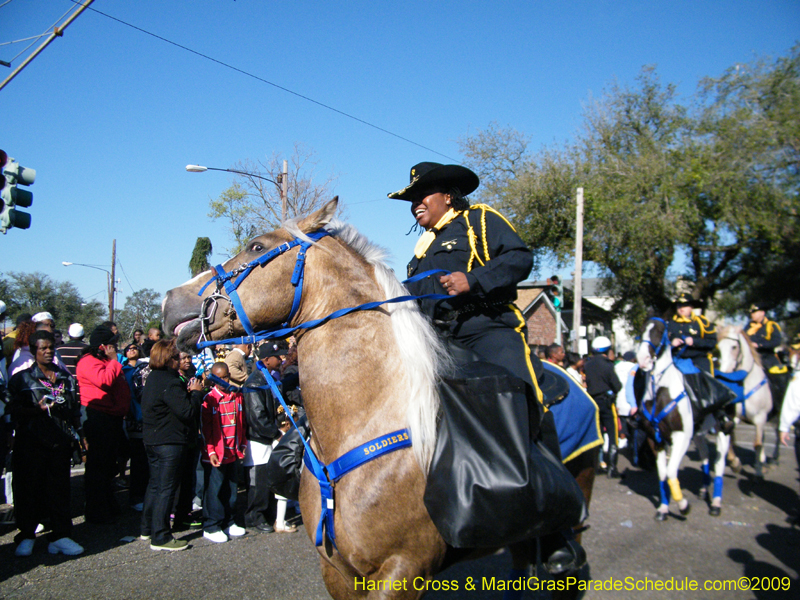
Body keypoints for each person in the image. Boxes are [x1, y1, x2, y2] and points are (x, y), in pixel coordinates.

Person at [389, 161, 582, 575]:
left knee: (523, 393)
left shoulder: (480, 220)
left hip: (487, 328)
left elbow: (519, 257)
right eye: (411, 201)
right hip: (438, 342)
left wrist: (472, 280)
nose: (415, 205)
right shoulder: (420, 252)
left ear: (447, 196)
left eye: (422, 196)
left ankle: (555, 530)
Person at [5, 330, 84, 557]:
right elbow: (11, 411)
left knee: (59, 490)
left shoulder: (66, 378)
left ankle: (60, 536)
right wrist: (35, 410)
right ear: (33, 351)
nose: (49, 352)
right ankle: (27, 535)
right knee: (29, 490)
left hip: (59, 443)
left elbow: (74, 411)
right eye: (43, 348)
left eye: (51, 347)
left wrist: (79, 436)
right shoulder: (21, 379)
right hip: (30, 443)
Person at [140, 339, 204, 551]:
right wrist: (195, 393)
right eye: (177, 357)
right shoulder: (170, 381)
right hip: (169, 441)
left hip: (154, 439)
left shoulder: (154, 378)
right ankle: (161, 536)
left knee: (156, 485)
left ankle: (147, 528)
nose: (180, 360)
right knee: (165, 488)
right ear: (168, 360)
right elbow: (186, 412)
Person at [76, 324, 131, 524]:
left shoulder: (103, 360)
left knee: (108, 465)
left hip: (112, 417)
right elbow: (104, 381)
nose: (115, 348)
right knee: (98, 466)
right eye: (112, 345)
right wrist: (114, 362)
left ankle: (107, 503)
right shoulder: (88, 362)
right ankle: (96, 509)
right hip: (99, 417)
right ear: (102, 346)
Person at [201, 362, 247, 543]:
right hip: (216, 453)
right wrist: (210, 451)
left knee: (231, 489)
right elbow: (205, 430)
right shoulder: (209, 399)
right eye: (217, 378)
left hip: (233, 451)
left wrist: (242, 443)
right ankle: (212, 525)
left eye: (225, 377)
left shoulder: (237, 396)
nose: (222, 381)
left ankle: (229, 521)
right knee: (215, 490)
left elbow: (242, 423)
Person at [242, 341, 284, 533]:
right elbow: (257, 416)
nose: (281, 359)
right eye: (278, 357)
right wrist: (275, 433)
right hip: (259, 440)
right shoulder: (254, 382)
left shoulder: (268, 378)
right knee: (258, 482)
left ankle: (266, 512)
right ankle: (254, 515)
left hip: (268, 438)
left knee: (268, 479)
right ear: (267, 360)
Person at [584, 336, 623, 478]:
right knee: (613, 435)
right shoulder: (608, 364)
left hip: (593, 402)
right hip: (607, 402)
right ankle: (612, 467)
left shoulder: (587, 365)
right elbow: (617, 385)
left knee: (598, 434)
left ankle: (597, 465)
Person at [122, 343, 148, 509]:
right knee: (137, 459)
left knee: (144, 459)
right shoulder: (122, 370)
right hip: (130, 416)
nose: (132, 350)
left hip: (143, 416)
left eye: (134, 347)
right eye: (128, 348)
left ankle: (142, 495)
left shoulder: (145, 369)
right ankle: (136, 496)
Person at [668, 293, 717, 374]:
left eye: (685, 305)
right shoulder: (670, 324)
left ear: (691, 307)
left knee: (706, 381)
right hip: (674, 359)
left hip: (698, 359)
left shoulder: (702, 323)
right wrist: (671, 343)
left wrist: (694, 341)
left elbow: (712, 342)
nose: (681, 308)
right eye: (679, 305)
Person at [746, 304, 785, 372]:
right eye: (751, 312)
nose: (752, 314)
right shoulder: (749, 327)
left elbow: (777, 341)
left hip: (767, 358)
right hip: (751, 358)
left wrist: (759, 345)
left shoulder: (771, 325)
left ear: (762, 313)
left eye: (755, 312)